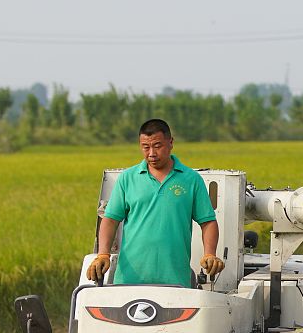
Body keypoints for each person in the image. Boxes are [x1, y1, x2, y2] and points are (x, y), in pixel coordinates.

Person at [86, 118, 224, 285]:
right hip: (129, 279)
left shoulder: (191, 179)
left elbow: (207, 221)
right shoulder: (127, 178)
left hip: (175, 280)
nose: (151, 153)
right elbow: (110, 220)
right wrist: (103, 254)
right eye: (145, 147)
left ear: (171, 143)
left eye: (157, 146)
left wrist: (210, 253)